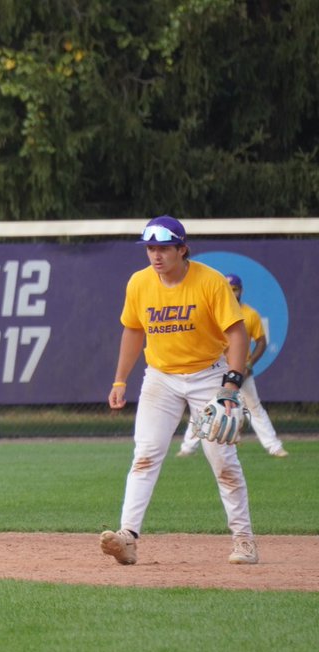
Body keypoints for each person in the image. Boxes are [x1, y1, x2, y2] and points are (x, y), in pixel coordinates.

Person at [102, 215, 259, 565]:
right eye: (150, 248)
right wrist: (120, 379)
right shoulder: (139, 282)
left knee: (223, 460)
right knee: (145, 454)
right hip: (161, 377)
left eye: (164, 248)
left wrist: (231, 384)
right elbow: (133, 330)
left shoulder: (210, 281)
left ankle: (244, 540)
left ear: (182, 249)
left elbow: (237, 333)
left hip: (208, 375)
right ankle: (127, 537)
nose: (156, 255)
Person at [177, 274, 288, 458]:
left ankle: (274, 447)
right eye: (228, 289)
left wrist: (249, 364)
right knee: (204, 408)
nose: (232, 292)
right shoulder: (212, 312)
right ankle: (187, 448)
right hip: (216, 369)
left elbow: (261, 341)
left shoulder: (249, 314)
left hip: (241, 370)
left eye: (234, 289)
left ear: (240, 290)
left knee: (254, 408)